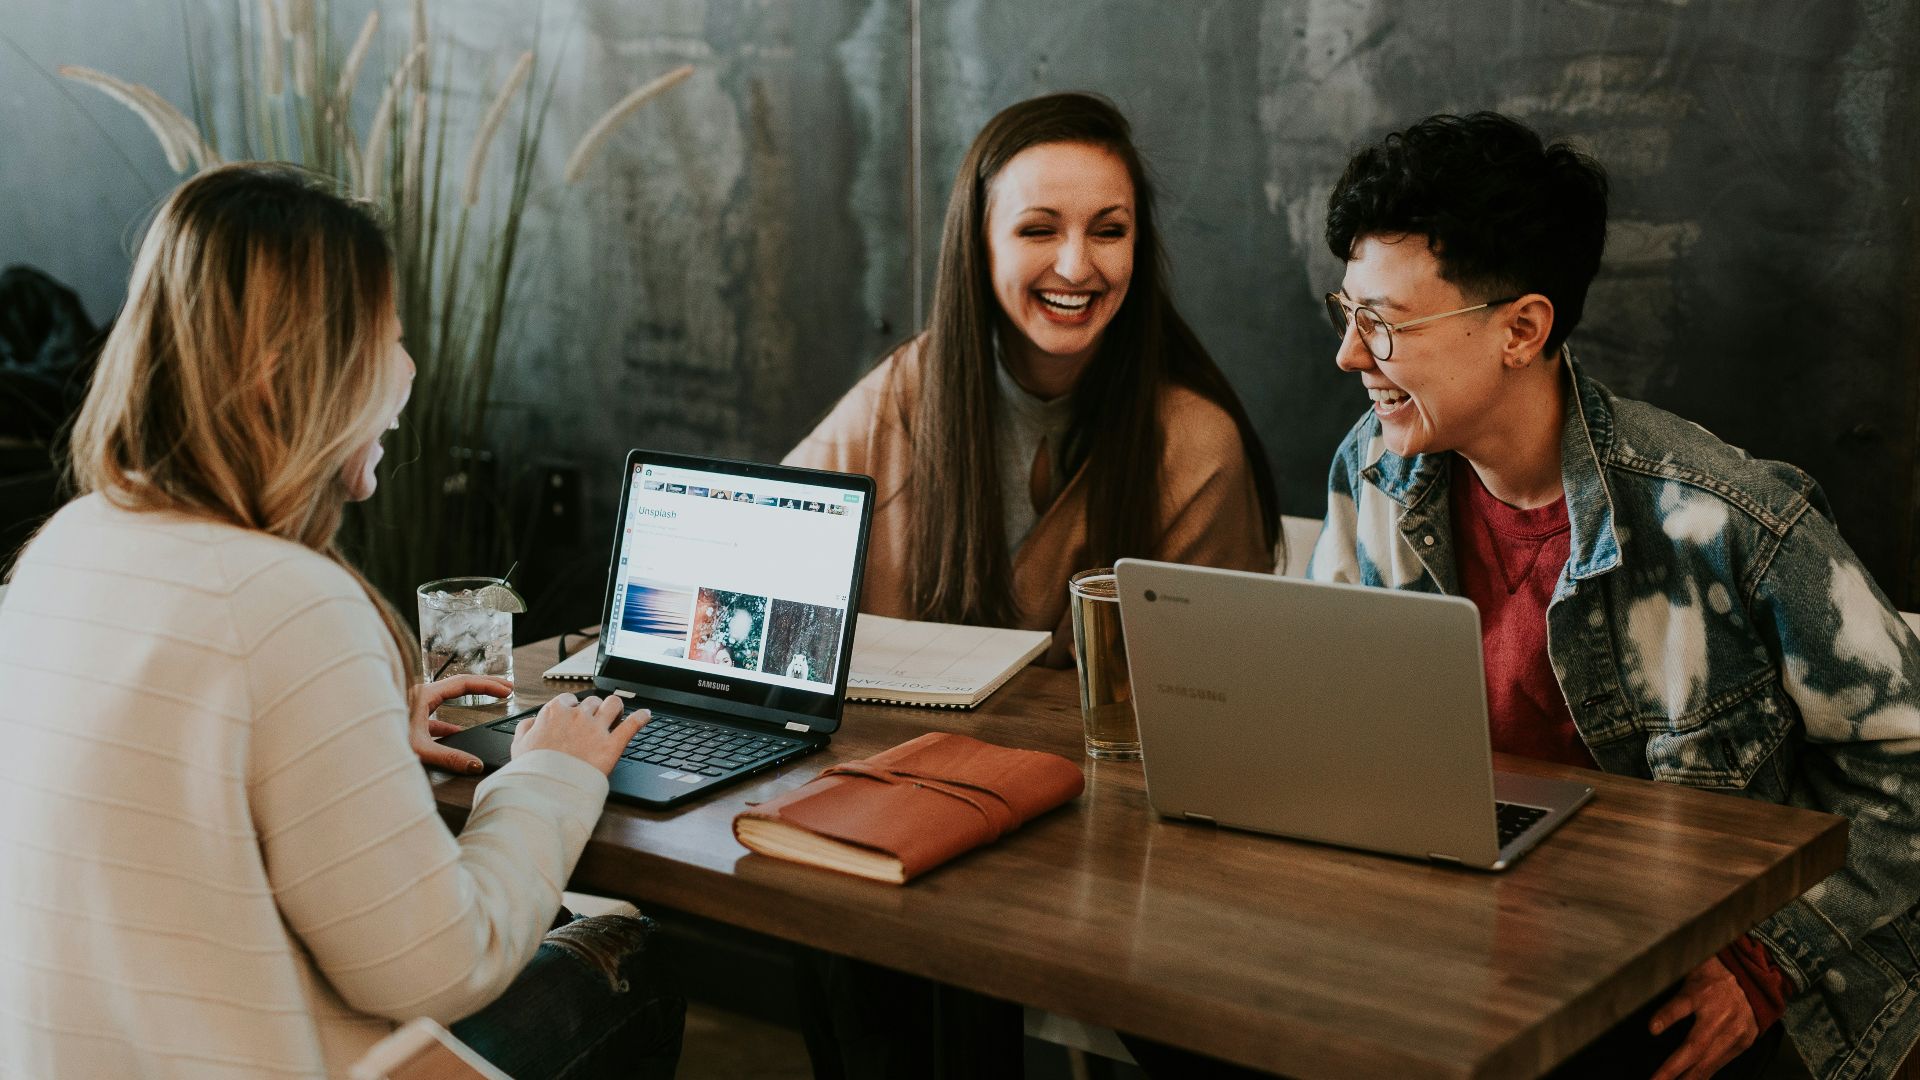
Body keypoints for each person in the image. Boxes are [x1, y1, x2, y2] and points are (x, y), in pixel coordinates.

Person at [0, 163, 683, 1079]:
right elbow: (440, 968)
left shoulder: (64, 548)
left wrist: (354, 736)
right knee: (634, 956)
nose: (407, 371)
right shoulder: (288, 603)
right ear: (295, 375)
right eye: (389, 336)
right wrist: (550, 777)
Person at [1308, 112, 1920, 1080]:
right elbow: (1326, 725)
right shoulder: (1372, 473)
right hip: (1468, 955)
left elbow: (1909, 764)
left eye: (1382, 323)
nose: (1349, 353)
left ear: (1522, 329)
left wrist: (1768, 966)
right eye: (1344, 310)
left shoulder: (1724, 521)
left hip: (1681, 984)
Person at [785, 91, 1280, 666]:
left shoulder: (1196, 445)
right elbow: (760, 555)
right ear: (980, 245)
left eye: (1109, 231)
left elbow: (1219, 690)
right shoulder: (902, 394)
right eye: (1038, 231)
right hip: (890, 755)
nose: (1075, 267)